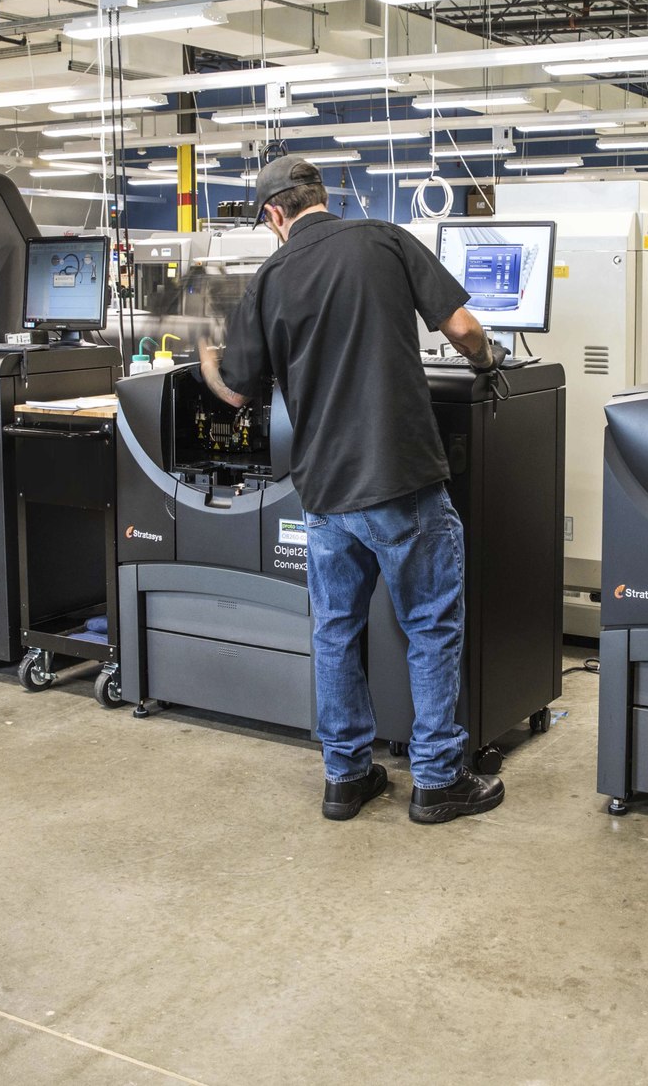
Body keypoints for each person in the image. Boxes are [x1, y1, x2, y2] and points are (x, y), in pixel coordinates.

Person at [200, 156, 508, 824]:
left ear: (274, 214)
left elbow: (238, 387)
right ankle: (436, 779)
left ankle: (344, 776)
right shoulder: (384, 238)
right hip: (400, 478)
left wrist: (208, 362)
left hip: (324, 492)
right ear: (322, 197)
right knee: (429, 623)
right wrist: (489, 361)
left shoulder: (269, 277)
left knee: (335, 630)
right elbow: (463, 330)